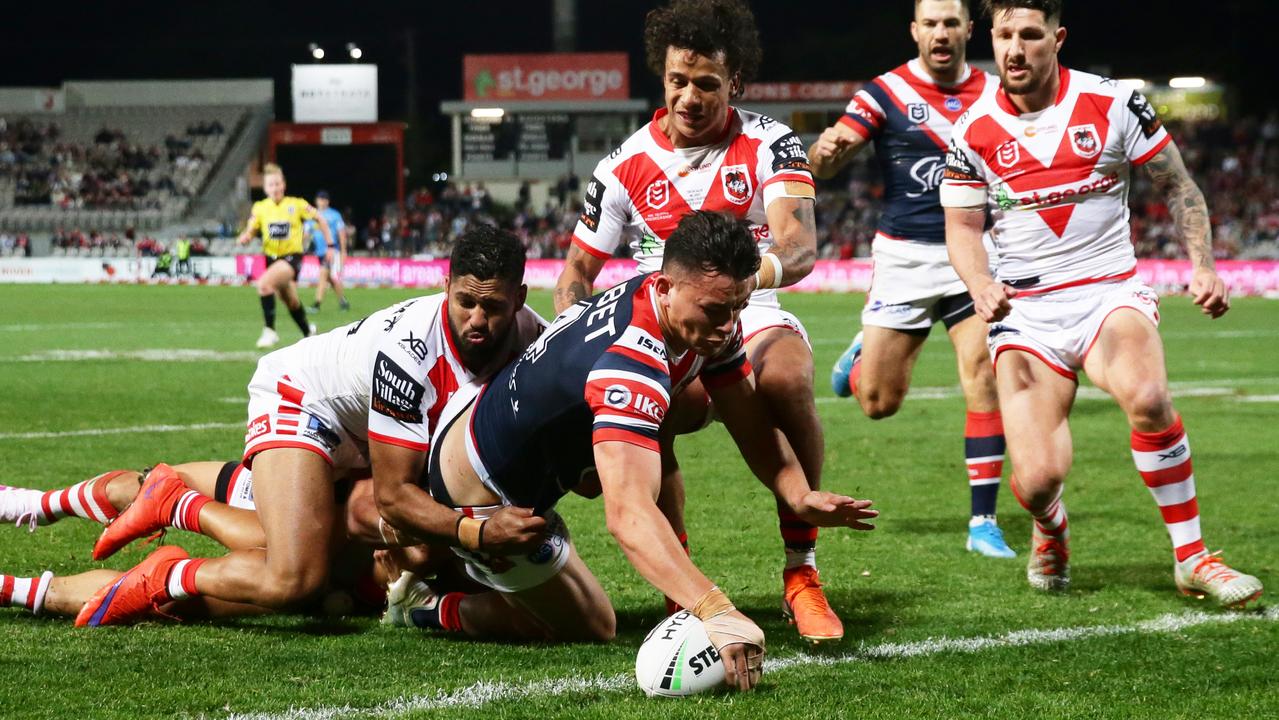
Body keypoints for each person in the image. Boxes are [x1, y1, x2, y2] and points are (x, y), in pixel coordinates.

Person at [381, 211, 877, 691]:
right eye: (716, 311)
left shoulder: (695, 312)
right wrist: (717, 610)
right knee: (592, 625)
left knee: (654, 440)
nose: (729, 326)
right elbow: (628, 515)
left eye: (739, 309)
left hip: (514, 444)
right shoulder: (630, 363)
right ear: (664, 288)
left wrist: (796, 493)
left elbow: (750, 420)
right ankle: (426, 606)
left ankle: (664, 593)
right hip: (482, 490)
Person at [940, 0, 1262, 606]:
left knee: (1147, 396)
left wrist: (1204, 266)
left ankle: (1192, 556)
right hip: (1025, 315)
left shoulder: (1113, 102)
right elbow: (961, 227)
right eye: (1005, 35)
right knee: (1036, 482)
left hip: (1108, 293)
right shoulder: (971, 128)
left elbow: (1177, 183)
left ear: (1057, 39)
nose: (1014, 49)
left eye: (1030, 35)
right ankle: (1049, 528)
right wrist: (980, 281)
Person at [73, 226, 549, 626]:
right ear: (446, 286)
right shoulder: (411, 353)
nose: (478, 320)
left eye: (495, 308)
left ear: (520, 299)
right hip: (303, 400)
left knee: (366, 556)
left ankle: (158, 506)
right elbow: (391, 499)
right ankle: (172, 549)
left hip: (361, 428)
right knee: (294, 578)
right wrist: (477, 534)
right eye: (466, 302)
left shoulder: (537, 342)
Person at [552, 0, 842, 643]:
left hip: (750, 310)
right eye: (677, 81)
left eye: (707, 83)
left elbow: (797, 249)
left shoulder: (770, 141)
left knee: (788, 379)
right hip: (659, 328)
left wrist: (743, 283)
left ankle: (802, 572)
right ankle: (676, 579)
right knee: (660, 409)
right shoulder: (623, 165)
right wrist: (576, 331)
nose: (689, 96)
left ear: (734, 82)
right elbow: (574, 272)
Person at [811, 0, 1014, 558]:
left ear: (970, 30)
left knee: (982, 375)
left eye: (952, 23)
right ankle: (861, 356)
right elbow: (826, 162)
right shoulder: (884, 93)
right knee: (878, 403)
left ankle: (983, 522)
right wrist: (826, 152)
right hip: (905, 259)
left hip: (974, 253)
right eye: (931, 23)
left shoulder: (998, 92)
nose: (942, 33)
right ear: (915, 31)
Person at [0, 462, 390, 621]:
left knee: (163, 597)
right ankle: (33, 504)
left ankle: (8, 588)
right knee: (148, 484)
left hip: (337, 573)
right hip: (322, 500)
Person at [237, 163, 330, 349]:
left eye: (278, 183)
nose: (275, 188)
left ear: (284, 184)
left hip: (291, 258)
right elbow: (252, 227)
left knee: (264, 285)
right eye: (271, 185)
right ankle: (308, 332)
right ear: (265, 188)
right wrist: (246, 236)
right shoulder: (260, 207)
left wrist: (331, 245)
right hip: (271, 258)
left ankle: (270, 331)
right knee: (290, 300)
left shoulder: (296, 205)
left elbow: (320, 218)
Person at [308, 190, 351, 314]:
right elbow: (307, 232)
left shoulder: (334, 215)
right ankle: (343, 301)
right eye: (319, 199)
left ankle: (316, 304)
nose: (321, 201)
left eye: (324, 199)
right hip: (320, 252)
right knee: (331, 279)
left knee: (323, 275)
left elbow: (341, 233)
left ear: (327, 201)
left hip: (331, 251)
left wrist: (343, 251)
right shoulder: (313, 215)